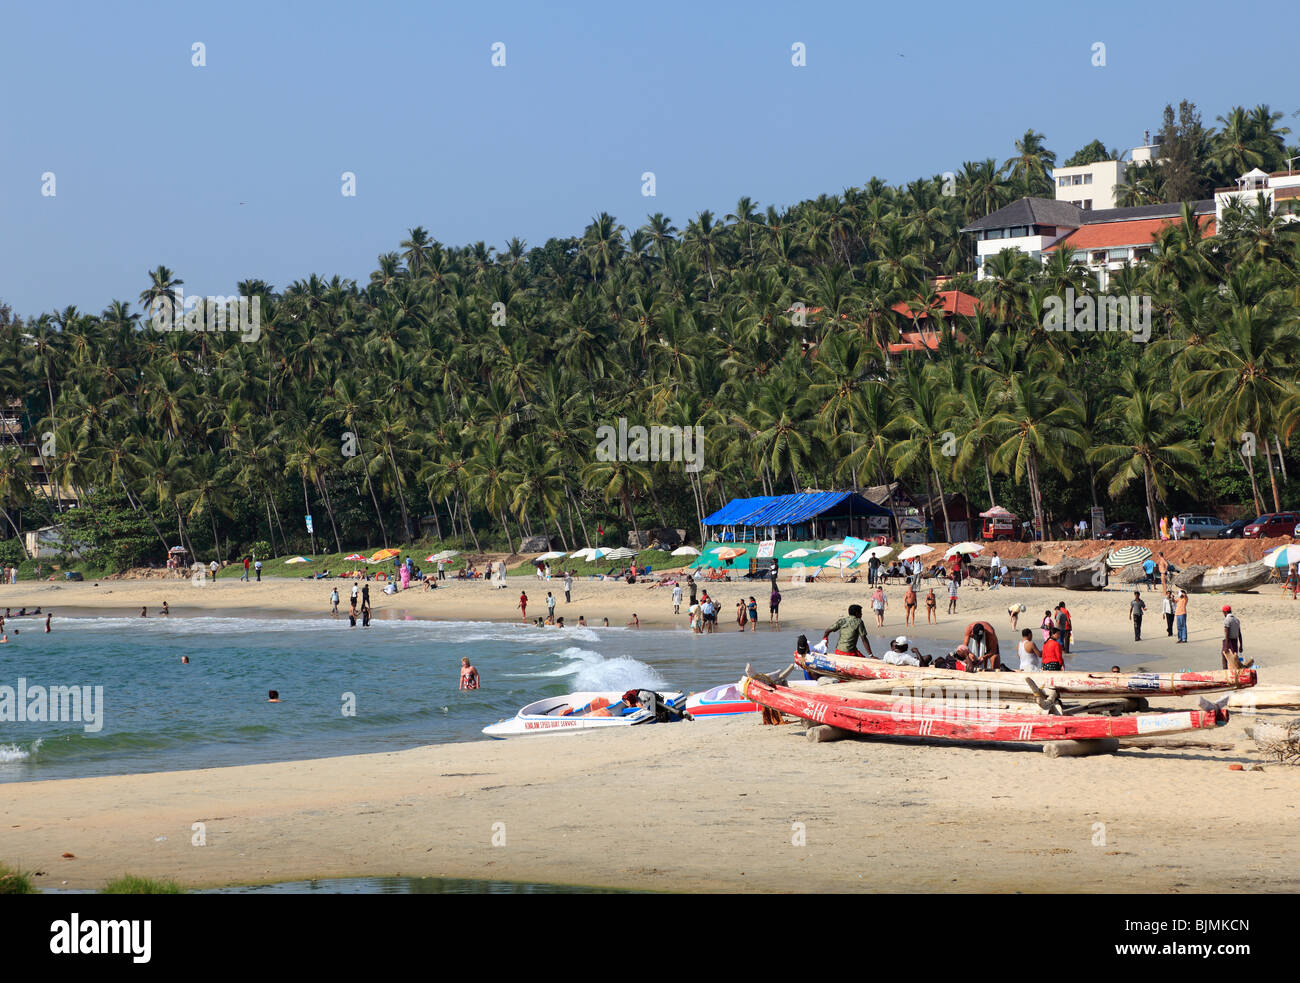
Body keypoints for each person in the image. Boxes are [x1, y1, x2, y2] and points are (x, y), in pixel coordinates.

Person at [1221, 605, 1252, 670]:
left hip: (1228, 642)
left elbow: (1227, 634)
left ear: (1225, 612)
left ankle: (1225, 672)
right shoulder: (1236, 620)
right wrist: (1241, 645)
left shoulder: (1227, 620)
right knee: (1234, 660)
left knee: (1224, 657)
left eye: (1223, 612)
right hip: (1235, 642)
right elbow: (1239, 634)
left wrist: (1226, 646)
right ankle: (1234, 672)